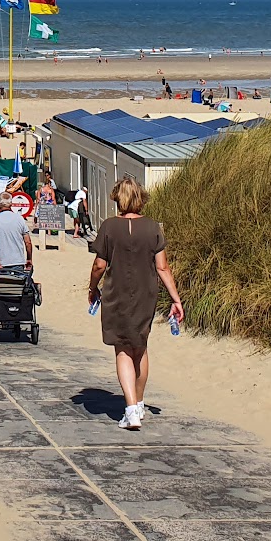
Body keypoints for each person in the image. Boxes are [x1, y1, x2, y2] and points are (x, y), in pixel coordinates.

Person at [87, 176, 183, 430]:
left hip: (116, 293)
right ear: (140, 198)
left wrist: (92, 287)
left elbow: (99, 264)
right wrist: (176, 299)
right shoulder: (152, 227)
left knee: (122, 348)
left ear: (118, 198)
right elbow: (162, 267)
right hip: (145, 293)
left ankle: (130, 409)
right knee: (140, 345)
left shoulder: (109, 227)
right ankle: (139, 403)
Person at [0, 193, 33, 276]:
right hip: (18, 261)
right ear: (11, 204)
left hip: (1, 262)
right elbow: (28, 242)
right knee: (18, 286)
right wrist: (29, 258)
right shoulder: (19, 218)